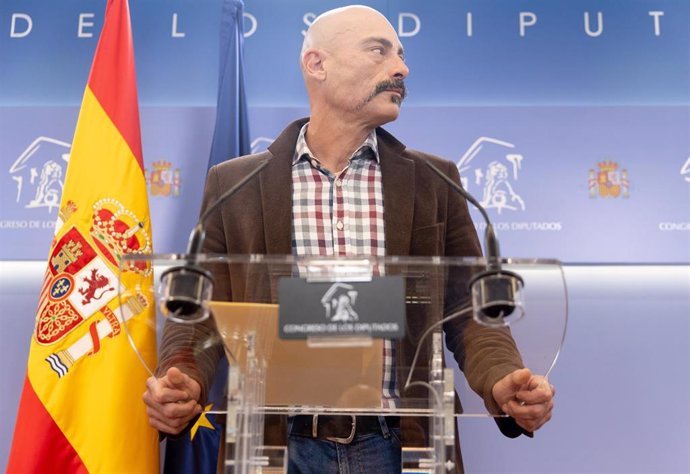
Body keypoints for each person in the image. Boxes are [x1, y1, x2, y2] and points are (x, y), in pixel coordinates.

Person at [143, 5, 554, 473]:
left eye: (400, 55)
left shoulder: (436, 181)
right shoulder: (234, 184)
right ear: (317, 64)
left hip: (403, 445)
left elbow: (472, 315)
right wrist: (181, 378)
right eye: (379, 51)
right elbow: (199, 313)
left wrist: (502, 380)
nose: (401, 68)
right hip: (276, 446)